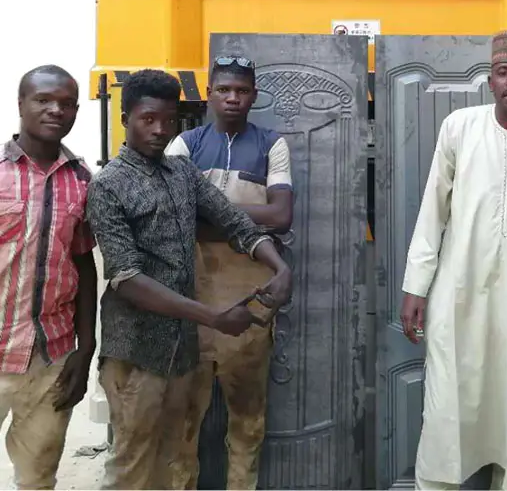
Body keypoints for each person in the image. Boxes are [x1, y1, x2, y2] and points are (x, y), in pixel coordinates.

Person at [86, 69, 292, 490]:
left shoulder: (182, 173)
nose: (160, 129)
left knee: (171, 457)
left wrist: (280, 267)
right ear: (125, 117)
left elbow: (238, 223)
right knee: (132, 465)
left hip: (182, 351)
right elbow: (127, 278)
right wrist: (213, 317)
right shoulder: (108, 186)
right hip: (137, 349)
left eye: (168, 120)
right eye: (148, 119)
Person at [400, 29, 507, 491]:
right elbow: (433, 207)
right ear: (489, 81)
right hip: (458, 298)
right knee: (447, 409)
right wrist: (416, 286)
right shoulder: (460, 126)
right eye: (502, 72)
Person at [165, 55, 293, 490]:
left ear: (254, 96)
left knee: (248, 423)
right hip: (191, 303)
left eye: (241, 91)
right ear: (210, 93)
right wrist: (244, 219)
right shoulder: (185, 144)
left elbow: (281, 216)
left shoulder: (272, 144)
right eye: (224, 90)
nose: (233, 98)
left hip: (250, 305)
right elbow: (171, 214)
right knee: (183, 422)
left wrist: (206, 211)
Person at [0, 65, 97, 490]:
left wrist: (85, 349)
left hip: (51, 357)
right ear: (21, 104)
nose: (55, 110)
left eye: (66, 103)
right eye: (43, 100)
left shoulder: (82, 182)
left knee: (38, 479)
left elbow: (85, 268)